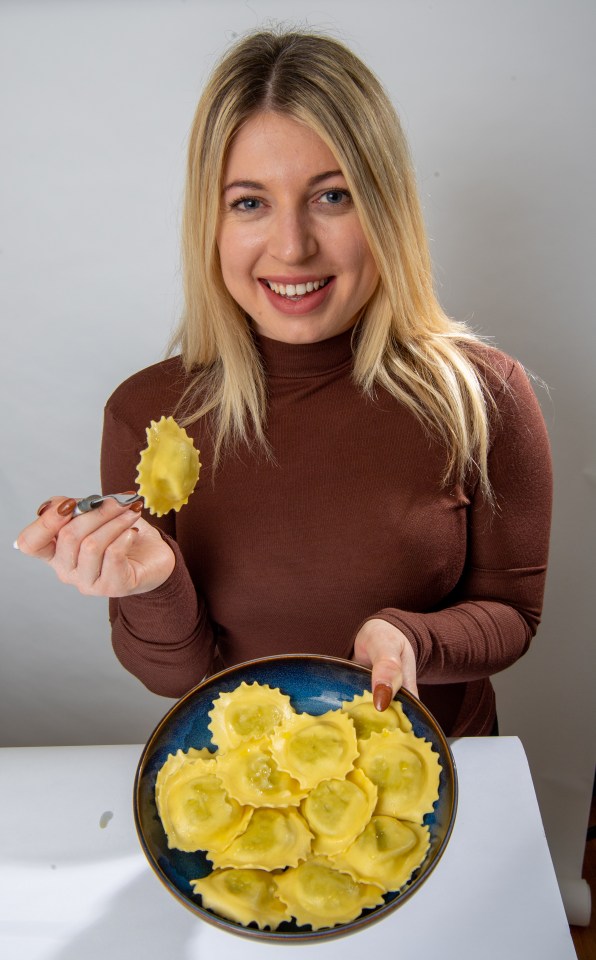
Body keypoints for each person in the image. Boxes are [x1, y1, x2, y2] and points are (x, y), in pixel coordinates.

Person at [15, 28, 552, 736]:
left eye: (332, 196)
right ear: (210, 221)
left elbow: (514, 616)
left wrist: (410, 639)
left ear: (386, 210)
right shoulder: (150, 413)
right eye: (249, 203)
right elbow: (173, 674)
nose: (292, 246)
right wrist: (155, 584)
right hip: (244, 788)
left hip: (437, 777)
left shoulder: (484, 396)